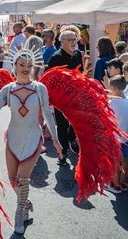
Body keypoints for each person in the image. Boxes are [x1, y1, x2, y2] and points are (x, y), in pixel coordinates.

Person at [0, 47, 62, 235]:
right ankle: (26, 203)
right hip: (12, 139)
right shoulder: (7, 89)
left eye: (29, 65)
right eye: (22, 64)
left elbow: (48, 115)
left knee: (22, 180)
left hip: (33, 138)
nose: (26, 68)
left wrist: (55, 139)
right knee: (13, 180)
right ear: (14, 65)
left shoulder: (39, 89)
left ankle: (19, 214)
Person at [48, 29, 84, 165]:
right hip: (61, 98)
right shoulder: (56, 57)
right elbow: (50, 79)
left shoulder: (78, 55)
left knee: (75, 122)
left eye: (75, 39)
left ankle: (72, 139)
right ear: (62, 42)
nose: (73, 42)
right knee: (62, 125)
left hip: (75, 96)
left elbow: (80, 73)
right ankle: (62, 153)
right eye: (70, 40)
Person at [105, 75, 128, 193]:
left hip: (114, 138)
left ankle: (114, 185)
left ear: (115, 89)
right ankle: (123, 182)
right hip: (125, 137)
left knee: (114, 162)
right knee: (124, 160)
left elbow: (105, 116)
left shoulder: (113, 103)